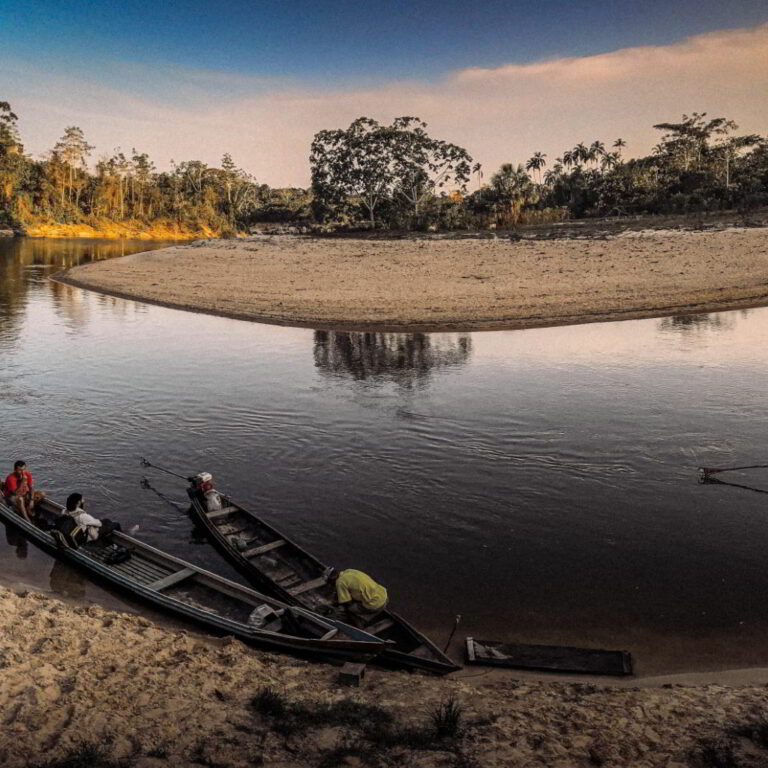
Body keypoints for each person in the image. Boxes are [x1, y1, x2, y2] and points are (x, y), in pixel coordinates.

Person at [324, 566, 389, 627]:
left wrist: (336, 604)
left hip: (375, 605)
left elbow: (347, 604)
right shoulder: (349, 571)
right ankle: (366, 617)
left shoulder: (340, 583)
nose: (330, 585)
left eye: (329, 583)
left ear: (331, 580)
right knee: (355, 596)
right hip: (384, 597)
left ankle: (359, 624)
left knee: (349, 609)